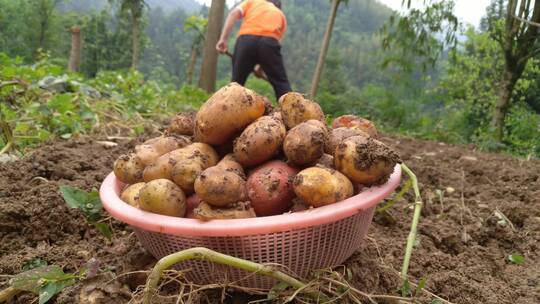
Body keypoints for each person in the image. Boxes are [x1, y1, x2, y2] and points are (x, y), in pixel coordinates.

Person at [216, 0, 292, 100]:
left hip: (246, 41)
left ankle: (228, 107)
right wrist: (261, 67)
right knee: (281, 84)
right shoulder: (281, 16)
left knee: (236, 83)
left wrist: (223, 39)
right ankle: (294, 108)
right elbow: (273, 46)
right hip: (269, 42)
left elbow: (234, 13)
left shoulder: (253, 2)